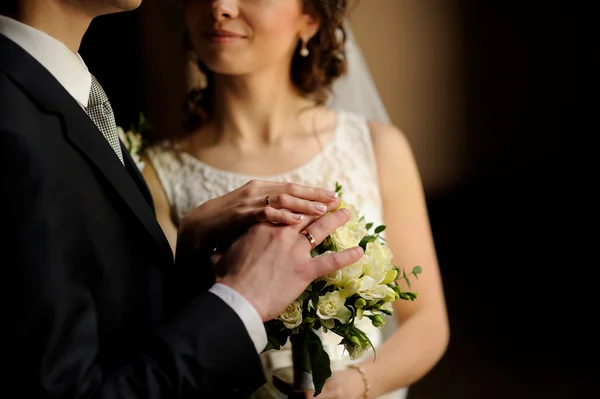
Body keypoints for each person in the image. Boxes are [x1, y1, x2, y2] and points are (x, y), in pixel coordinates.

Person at [0, 0, 366, 397]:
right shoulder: (13, 123)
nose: (220, 6)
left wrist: (188, 262)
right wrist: (241, 302)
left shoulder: (67, 91)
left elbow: (105, 322)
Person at [142, 0, 450, 398]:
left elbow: (426, 322)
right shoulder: (156, 174)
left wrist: (349, 388)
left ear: (310, 18)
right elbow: (159, 334)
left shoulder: (376, 147)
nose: (219, 6)